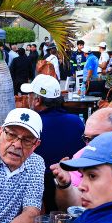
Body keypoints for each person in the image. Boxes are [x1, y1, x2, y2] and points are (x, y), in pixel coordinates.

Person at [20, 74, 84, 212]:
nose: (27, 98)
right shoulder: (76, 122)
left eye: (30, 95)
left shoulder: (32, 126)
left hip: (38, 198)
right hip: (73, 193)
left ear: (37, 100)